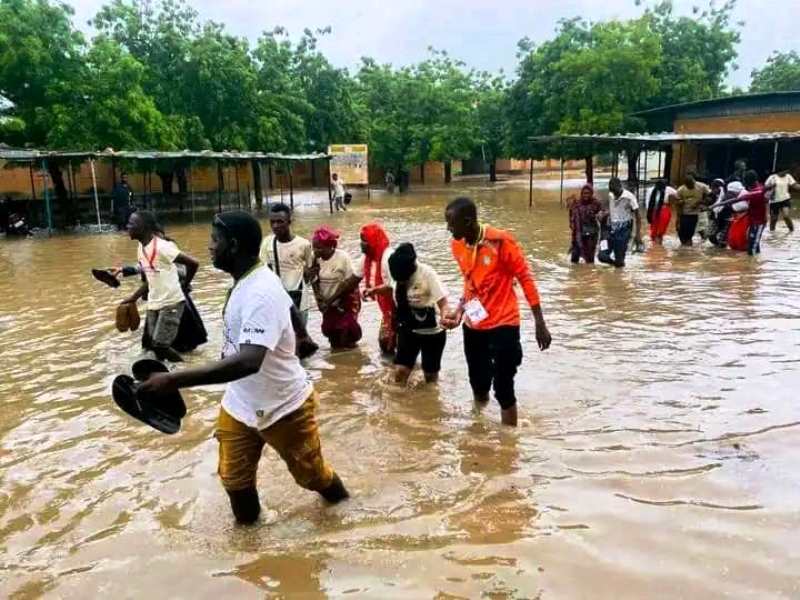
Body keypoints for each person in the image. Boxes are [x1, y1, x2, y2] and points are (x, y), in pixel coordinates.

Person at [138, 211, 348, 524]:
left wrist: (174, 380)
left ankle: (345, 508)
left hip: (283, 407)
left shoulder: (259, 291)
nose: (209, 247)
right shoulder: (251, 278)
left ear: (233, 245)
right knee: (234, 481)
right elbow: (288, 304)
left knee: (312, 477)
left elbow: (250, 361)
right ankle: (250, 547)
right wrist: (301, 334)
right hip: (240, 404)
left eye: (215, 240)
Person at [441, 197, 552, 427]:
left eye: (452, 224)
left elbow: (525, 279)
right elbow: (470, 282)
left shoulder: (502, 243)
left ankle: (508, 444)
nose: (448, 229)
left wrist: (539, 322)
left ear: (469, 221)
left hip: (504, 323)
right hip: (474, 324)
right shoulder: (457, 245)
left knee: (503, 388)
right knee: (478, 384)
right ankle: (479, 429)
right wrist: (459, 310)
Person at [120, 210, 199, 362]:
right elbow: (150, 278)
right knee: (152, 345)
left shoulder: (164, 247)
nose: (127, 226)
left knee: (160, 345)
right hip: (154, 303)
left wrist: (185, 285)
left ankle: (186, 369)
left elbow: (193, 263)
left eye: (132, 224)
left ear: (144, 227)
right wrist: (133, 298)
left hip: (171, 302)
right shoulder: (141, 248)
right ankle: (162, 372)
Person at [259, 203, 319, 357]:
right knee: (280, 342)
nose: (276, 226)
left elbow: (313, 269)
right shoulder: (267, 244)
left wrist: (311, 284)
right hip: (277, 299)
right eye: (272, 222)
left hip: (300, 300)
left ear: (289, 222)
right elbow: (264, 271)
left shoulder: (303, 245)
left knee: (298, 339)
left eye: (280, 221)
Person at [389, 243, 450, 384]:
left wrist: (445, 316)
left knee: (430, 376)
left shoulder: (427, 274)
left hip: (432, 330)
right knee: (400, 372)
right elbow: (391, 290)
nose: (401, 281)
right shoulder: (397, 272)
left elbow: (443, 302)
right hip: (408, 327)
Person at [309, 226, 362, 349]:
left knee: (345, 330)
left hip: (346, 299)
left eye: (319, 248)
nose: (315, 250)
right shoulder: (314, 258)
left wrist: (333, 300)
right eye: (313, 247)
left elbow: (350, 283)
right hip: (327, 300)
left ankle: (348, 358)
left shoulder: (342, 257)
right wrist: (320, 301)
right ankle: (336, 358)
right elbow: (314, 281)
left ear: (329, 246)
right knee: (330, 331)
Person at [356, 223, 396, 355]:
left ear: (373, 241)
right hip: (387, 309)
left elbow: (395, 288)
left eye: (364, 241)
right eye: (361, 240)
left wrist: (374, 291)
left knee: (393, 343)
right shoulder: (367, 258)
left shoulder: (388, 257)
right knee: (385, 344)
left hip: (399, 307)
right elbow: (354, 278)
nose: (361, 244)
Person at [599, 177, 642, 268]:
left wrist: (638, 234)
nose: (614, 194)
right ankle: (615, 265)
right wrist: (604, 214)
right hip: (609, 230)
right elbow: (612, 210)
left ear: (620, 186)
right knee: (602, 256)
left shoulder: (629, 197)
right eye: (612, 191)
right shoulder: (610, 195)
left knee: (619, 258)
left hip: (624, 231)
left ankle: (618, 275)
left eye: (616, 191)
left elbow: (638, 217)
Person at [568, 184, 602, 263]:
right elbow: (571, 215)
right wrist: (572, 223)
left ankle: (589, 273)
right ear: (581, 194)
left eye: (588, 193)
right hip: (578, 233)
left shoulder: (596, 203)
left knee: (590, 258)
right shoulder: (577, 204)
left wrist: (599, 215)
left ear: (591, 193)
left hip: (592, 233)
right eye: (584, 193)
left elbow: (602, 214)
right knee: (574, 256)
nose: (585, 195)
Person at [675, 172, 710, 246]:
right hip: (683, 214)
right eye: (688, 186)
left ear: (694, 182)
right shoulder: (681, 189)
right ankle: (685, 249)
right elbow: (676, 204)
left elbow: (711, 196)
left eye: (692, 185)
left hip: (695, 214)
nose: (690, 187)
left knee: (690, 234)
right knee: (680, 232)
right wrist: (678, 218)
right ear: (685, 184)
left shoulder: (702, 186)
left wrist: (701, 202)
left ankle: (688, 249)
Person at [740, 170, 768, 255]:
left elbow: (766, 202)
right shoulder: (754, 190)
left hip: (759, 221)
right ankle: (756, 263)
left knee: (752, 245)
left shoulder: (759, 191)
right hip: (753, 220)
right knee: (753, 241)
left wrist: (767, 216)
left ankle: (751, 265)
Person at [765, 168, 798, 233]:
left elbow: (795, 185)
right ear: (781, 171)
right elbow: (765, 186)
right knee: (774, 219)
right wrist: (771, 185)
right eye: (785, 171)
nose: (786, 172)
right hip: (774, 201)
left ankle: (792, 231)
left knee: (786, 216)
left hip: (785, 199)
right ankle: (772, 233)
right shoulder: (772, 177)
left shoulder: (788, 176)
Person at [646, 179, 678, 245]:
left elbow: (677, 194)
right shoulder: (650, 190)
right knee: (654, 230)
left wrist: (672, 201)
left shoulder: (668, 189)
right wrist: (649, 213)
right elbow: (648, 203)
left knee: (661, 230)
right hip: (654, 210)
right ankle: (657, 246)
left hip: (664, 209)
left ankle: (657, 246)